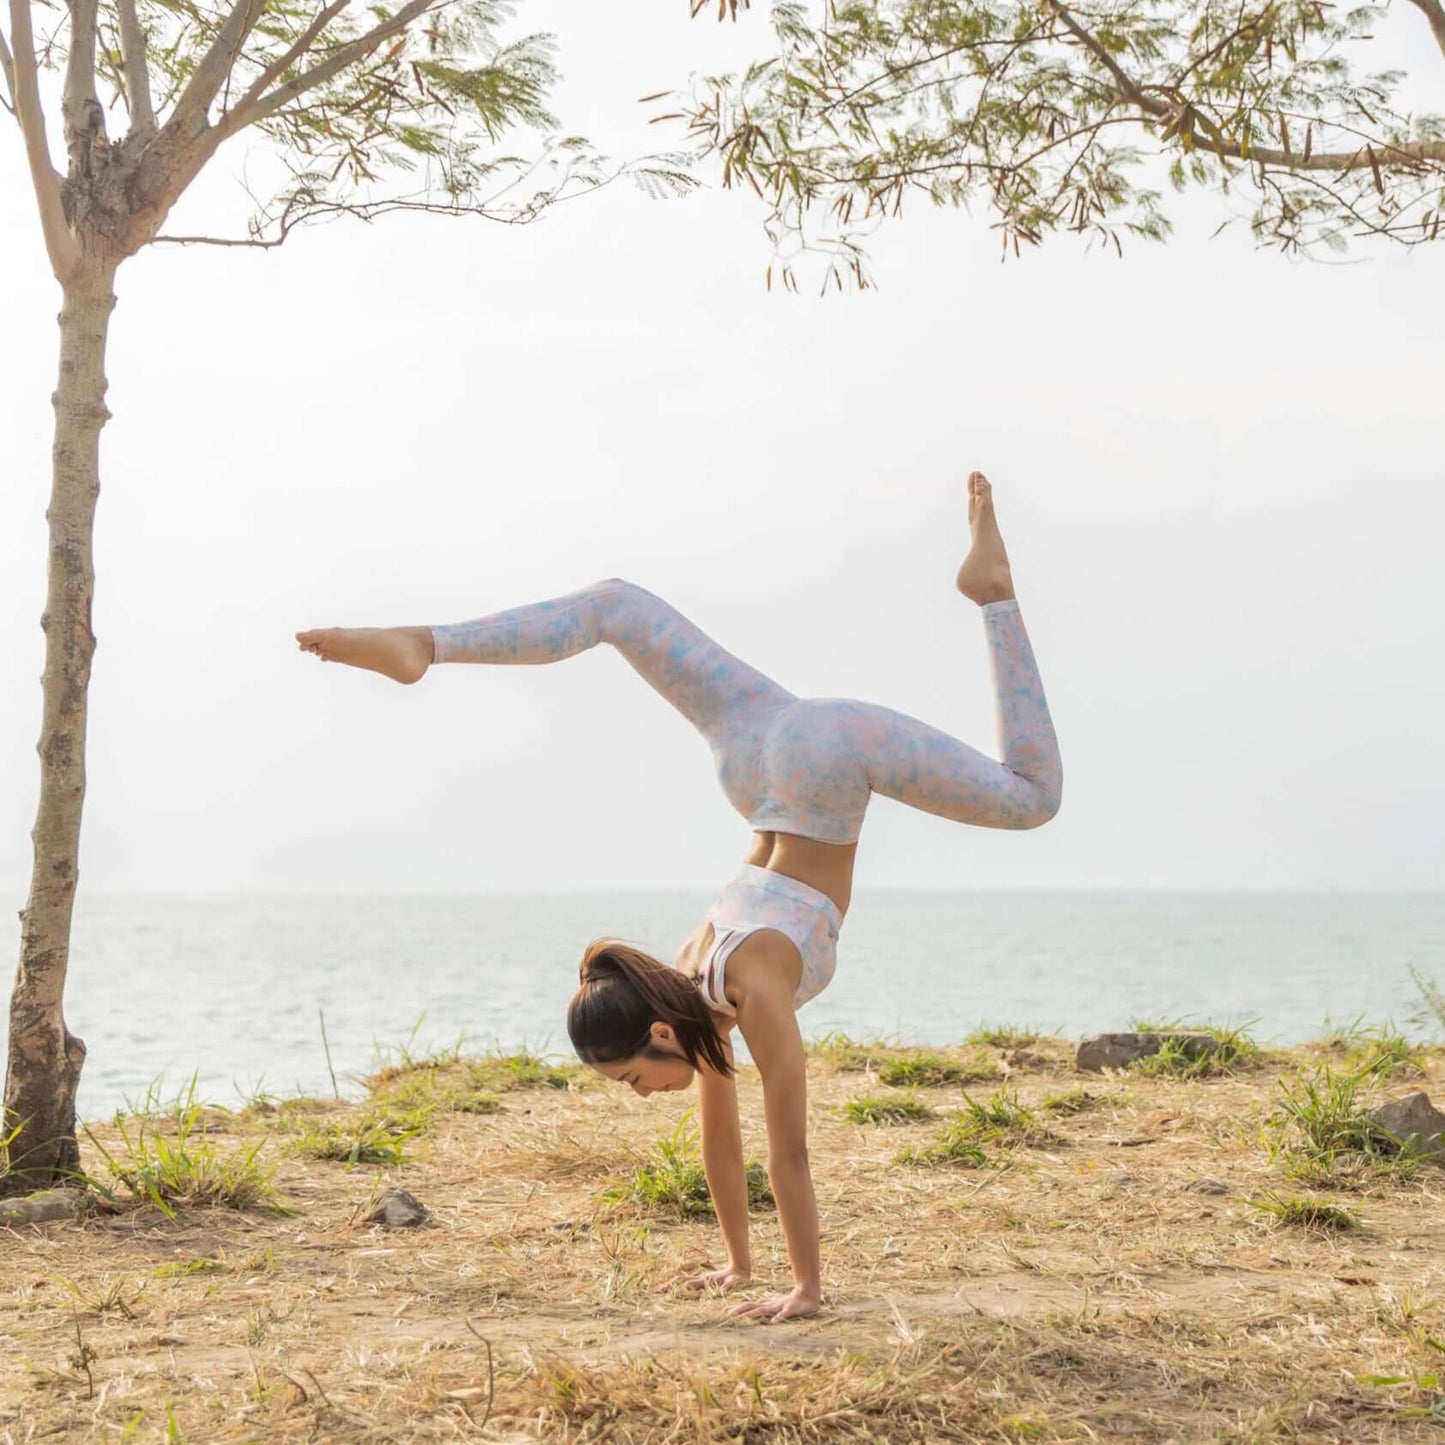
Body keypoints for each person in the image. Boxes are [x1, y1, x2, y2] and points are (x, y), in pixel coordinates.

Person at [296, 471, 1061, 1322]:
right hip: (758, 749)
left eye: (631, 1078)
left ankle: (993, 595)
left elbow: (791, 1152)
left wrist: (805, 1290)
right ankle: (425, 643)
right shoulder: (693, 981)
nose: (639, 1095)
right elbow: (722, 1145)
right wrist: (738, 1267)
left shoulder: (744, 986)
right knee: (615, 606)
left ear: (660, 1033)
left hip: (822, 755)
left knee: (1031, 796)